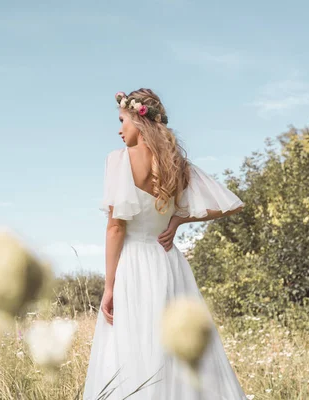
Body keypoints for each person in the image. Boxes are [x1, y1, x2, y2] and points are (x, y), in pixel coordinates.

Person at [83, 88, 248, 399]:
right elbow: (231, 205)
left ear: (138, 120)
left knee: (133, 347)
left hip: (134, 264)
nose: (119, 130)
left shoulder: (119, 161)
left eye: (122, 121)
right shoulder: (177, 164)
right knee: (177, 350)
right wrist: (179, 220)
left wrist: (109, 287)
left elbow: (116, 228)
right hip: (168, 263)